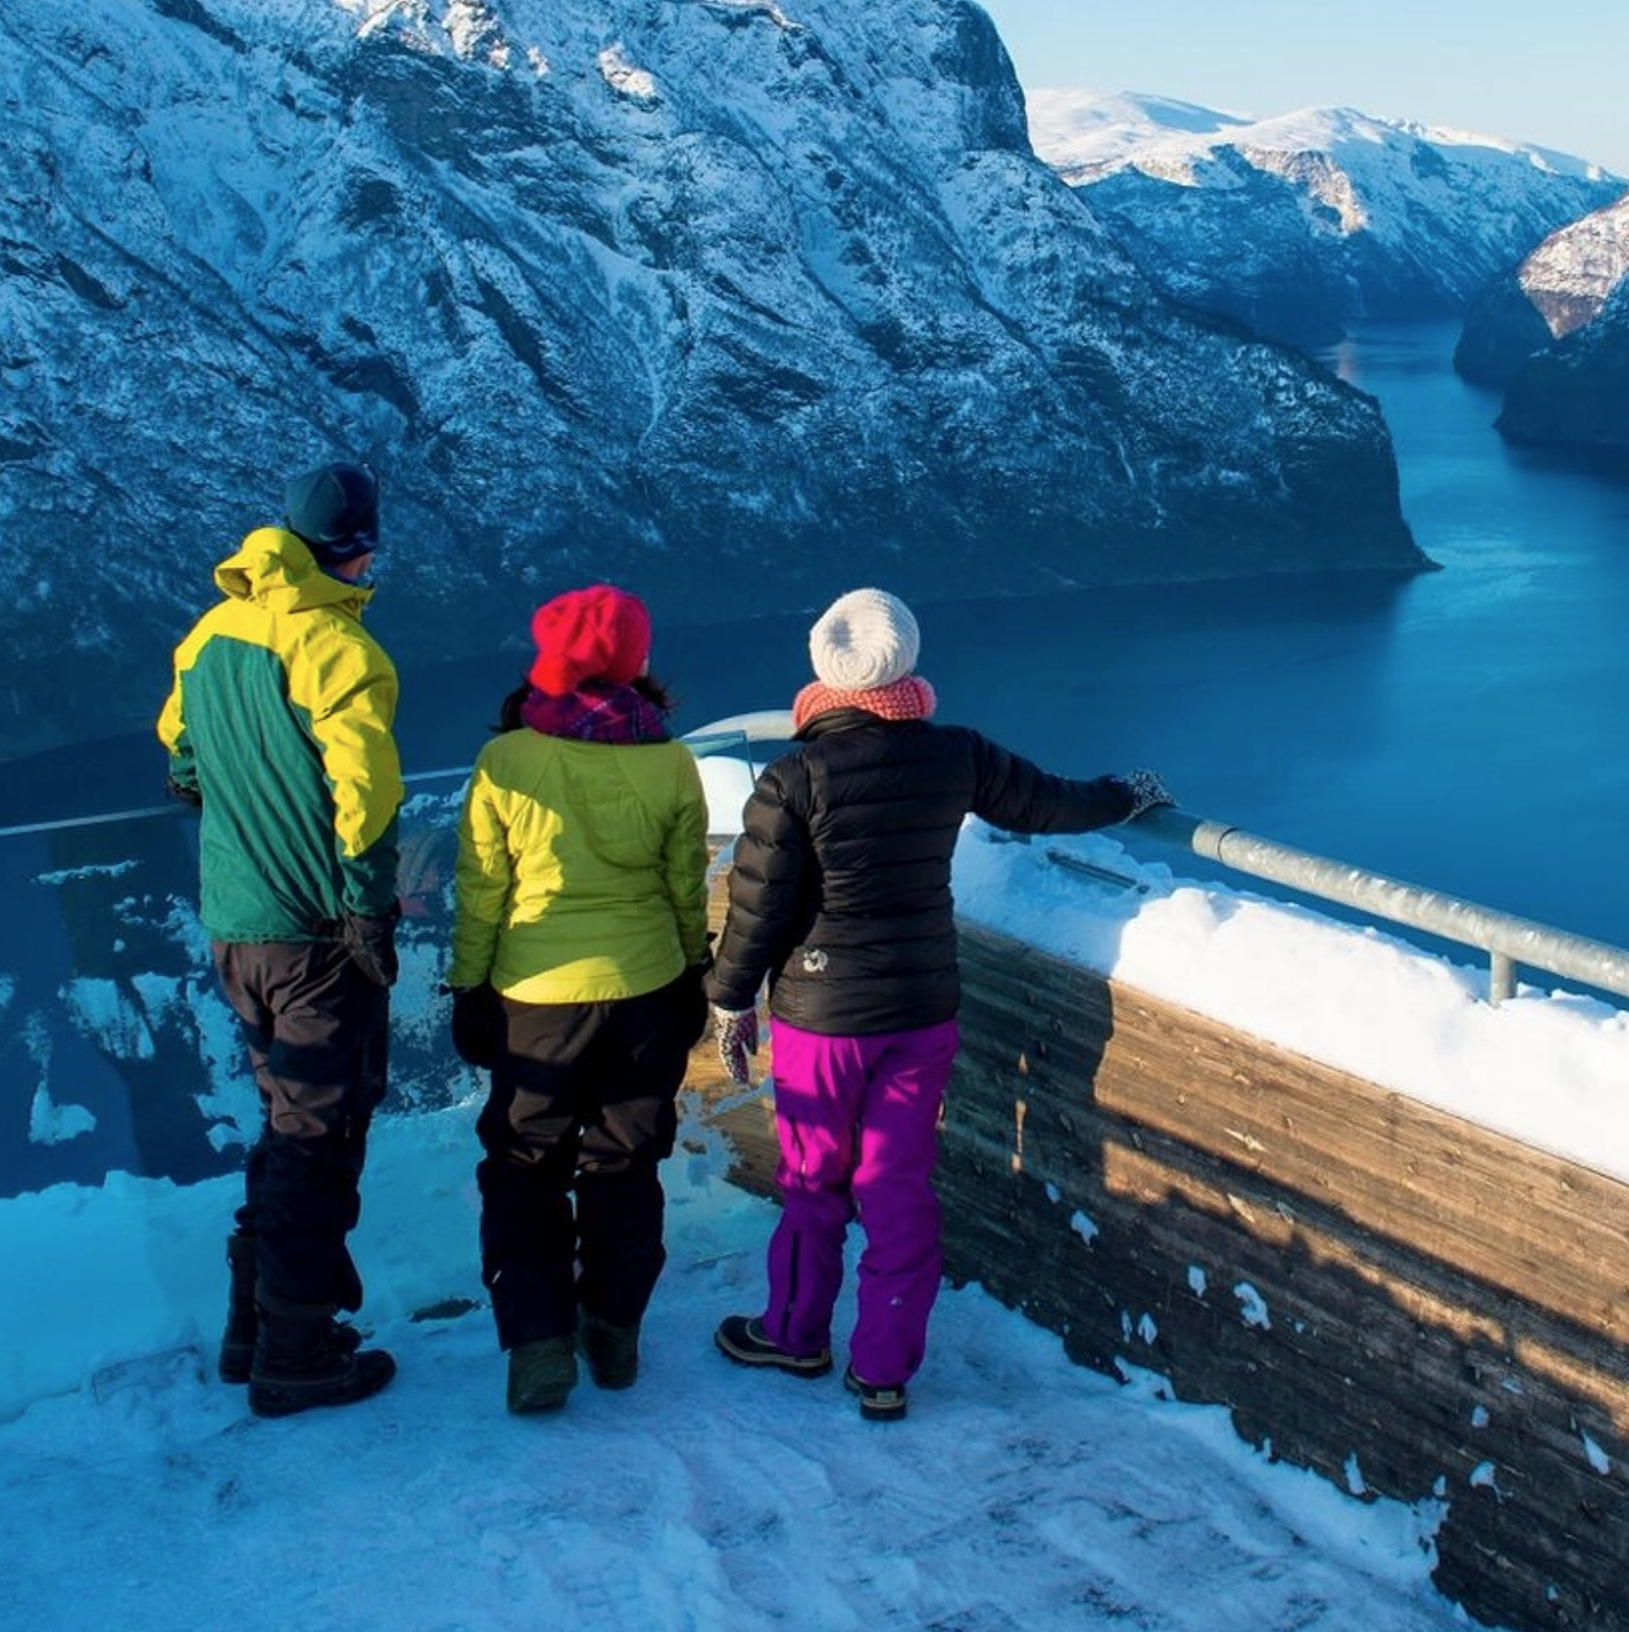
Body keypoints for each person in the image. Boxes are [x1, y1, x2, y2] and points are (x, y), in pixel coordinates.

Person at [707, 587, 1164, 1421]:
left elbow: (758, 905)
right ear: (905, 660)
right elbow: (1050, 803)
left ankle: (794, 1334)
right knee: (898, 1186)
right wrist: (1123, 794)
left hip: (822, 1017)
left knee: (814, 1181)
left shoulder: (794, 774)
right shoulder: (954, 754)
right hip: (921, 1011)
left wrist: (732, 1001)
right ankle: (883, 1371)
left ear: (823, 670)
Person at [157, 462, 406, 1419]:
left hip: (236, 928)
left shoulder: (210, 633)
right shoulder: (338, 650)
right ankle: (297, 1352)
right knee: (322, 1136)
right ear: (352, 549)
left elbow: (177, 748)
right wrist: (367, 907)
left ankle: (250, 1327)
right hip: (314, 934)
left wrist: (220, 792)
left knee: (284, 1121)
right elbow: (367, 796)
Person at [446, 583, 713, 1414]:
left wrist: (469, 988)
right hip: (646, 989)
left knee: (525, 1165)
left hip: (536, 998)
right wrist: (692, 975)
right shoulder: (669, 759)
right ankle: (614, 1331)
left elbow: (483, 890)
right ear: (637, 662)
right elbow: (684, 886)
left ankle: (538, 1345)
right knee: (625, 1161)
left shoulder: (508, 762)